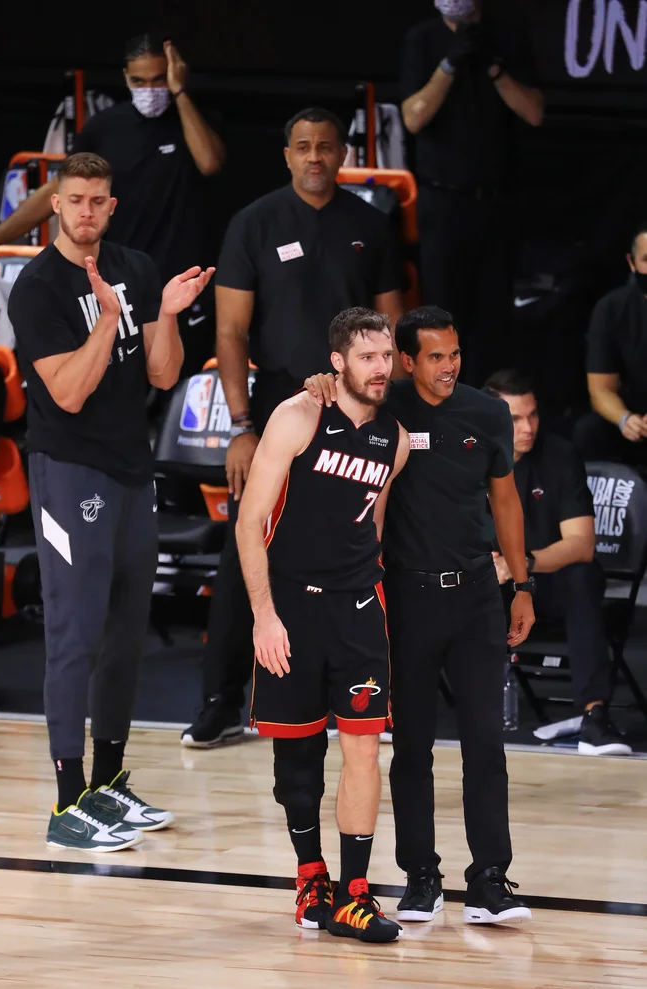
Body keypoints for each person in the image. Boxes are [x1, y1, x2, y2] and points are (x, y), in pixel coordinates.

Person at [7, 152, 214, 851]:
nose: (87, 212)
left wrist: (167, 315)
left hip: (132, 469)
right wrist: (105, 320)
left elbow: (160, 371)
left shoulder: (137, 266)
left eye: (99, 200)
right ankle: (68, 804)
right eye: (75, 201)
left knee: (127, 632)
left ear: (112, 206)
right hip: (70, 472)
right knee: (76, 635)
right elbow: (66, 393)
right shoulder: (35, 288)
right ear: (55, 206)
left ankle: (108, 783)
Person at [181, 107, 404, 748]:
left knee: (364, 545)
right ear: (286, 155)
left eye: (326, 147)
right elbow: (228, 331)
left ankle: (367, 696)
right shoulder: (254, 223)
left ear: (343, 154)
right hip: (281, 405)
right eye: (302, 146)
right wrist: (242, 424)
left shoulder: (371, 224)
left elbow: (393, 329)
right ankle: (221, 700)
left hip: (358, 408)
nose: (314, 156)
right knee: (246, 543)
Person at [305, 305, 535, 925]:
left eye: (454, 353)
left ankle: (490, 877)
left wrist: (523, 584)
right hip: (406, 599)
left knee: (487, 741)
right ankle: (420, 877)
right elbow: (337, 393)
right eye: (435, 356)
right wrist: (320, 385)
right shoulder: (388, 406)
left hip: (477, 598)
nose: (449, 367)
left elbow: (506, 502)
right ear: (407, 361)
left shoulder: (487, 413)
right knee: (411, 745)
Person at [236, 307, 409, 941]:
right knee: (299, 753)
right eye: (368, 357)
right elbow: (249, 522)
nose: (381, 367)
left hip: (359, 608)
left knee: (365, 748)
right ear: (337, 362)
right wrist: (264, 616)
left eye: (386, 356)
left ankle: (355, 893)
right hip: (292, 607)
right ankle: (311, 875)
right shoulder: (297, 416)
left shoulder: (393, 437)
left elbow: (375, 525)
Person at [0, 33, 225, 373]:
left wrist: (180, 91)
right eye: (139, 81)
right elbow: (56, 190)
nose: (150, 89)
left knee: (174, 380)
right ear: (126, 78)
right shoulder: (105, 128)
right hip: (120, 286)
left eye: (159, 79)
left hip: (183, 286)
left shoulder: (195, 121)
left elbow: (209, 162)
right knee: (116, 382)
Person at [484, 370, 632, 755]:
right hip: (490, 583)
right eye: (515, 419)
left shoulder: (559, 454)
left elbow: (582, 545)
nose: (528, 427)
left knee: (583, 575)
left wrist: (521, 564)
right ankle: (398, 705)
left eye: (532, 415)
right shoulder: (469, 458)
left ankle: (594, 716)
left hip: (546, 581)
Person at [399, 0, 543, 385]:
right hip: (443, 202)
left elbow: (534, 112)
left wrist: (494, 68)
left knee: (494, 318)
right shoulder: (423, 39)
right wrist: (450, 64)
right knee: (443, 314)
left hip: (496, 202)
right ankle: (441, 404)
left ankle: (489, 408)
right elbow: (413, 117)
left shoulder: (507, 36)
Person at [574, 223, 647, 468]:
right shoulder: (612, 309)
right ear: (632, 262)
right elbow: (601, 389)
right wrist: (625, 420)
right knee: (589, 431)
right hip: (634, 419)